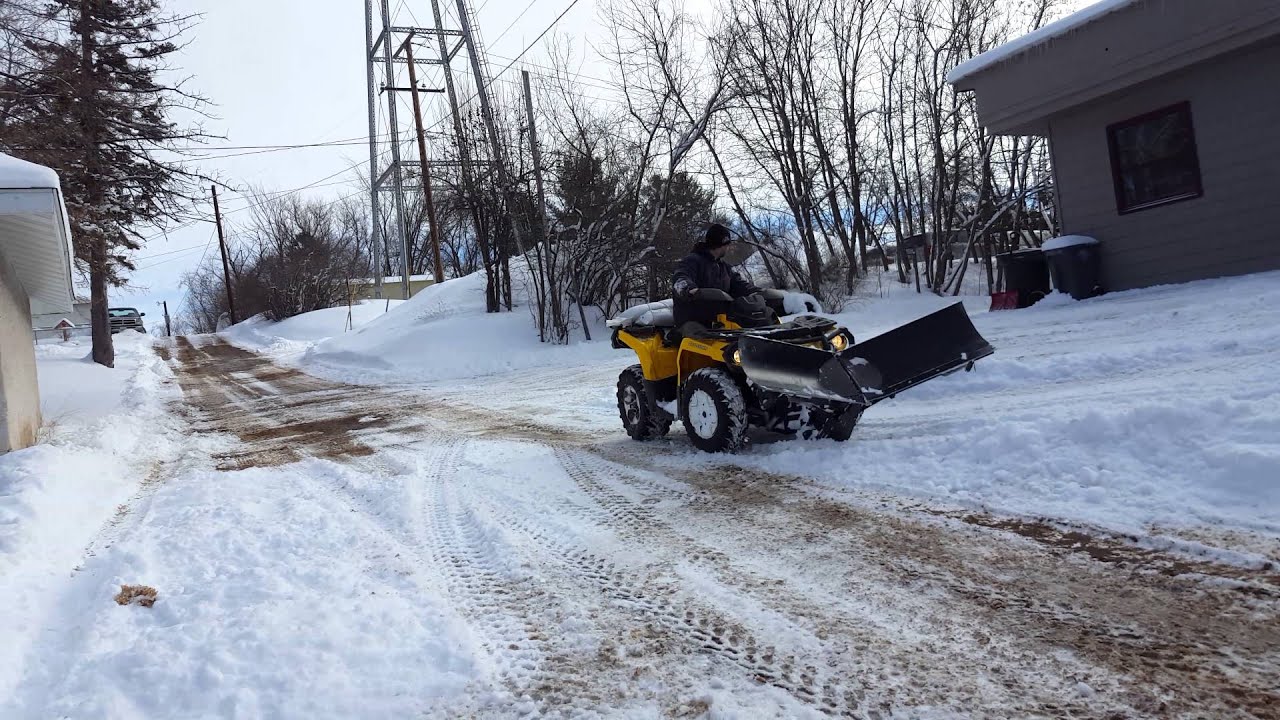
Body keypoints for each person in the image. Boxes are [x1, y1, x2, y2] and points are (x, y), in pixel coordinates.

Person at [671, 223, 760, 335]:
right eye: (728, 244)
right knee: (704, 342)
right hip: (692, 321)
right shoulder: (692, 261)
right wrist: (689, 289)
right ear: (722, 244)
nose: (729, 248)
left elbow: (740, 285)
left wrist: (758, 293)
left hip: (719, 321)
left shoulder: (724, 267)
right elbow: (680, 278)